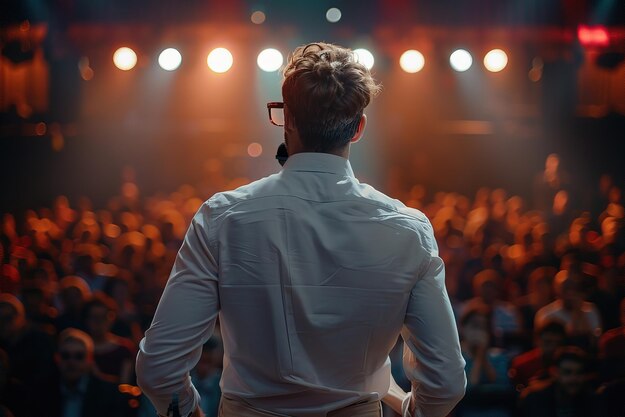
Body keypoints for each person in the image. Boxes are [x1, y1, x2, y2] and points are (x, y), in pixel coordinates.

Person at [136, 42, 466, 417]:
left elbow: (159, 368)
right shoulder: (408, 230)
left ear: (286, 118)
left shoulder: (222, 218)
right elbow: (446, 382)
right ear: (358, 129)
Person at [47, 328, 132, 417]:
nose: (71, 362)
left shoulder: (109, 395)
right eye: (65, 356)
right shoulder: (43, 392)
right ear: (57, 358)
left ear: (90, 359)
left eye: (79, 356)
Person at [517, 347, 597, 417]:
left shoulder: (590, 401)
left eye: (579, 373)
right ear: (554, 372)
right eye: (567, 372)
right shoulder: (535, 400)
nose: (574, 378)